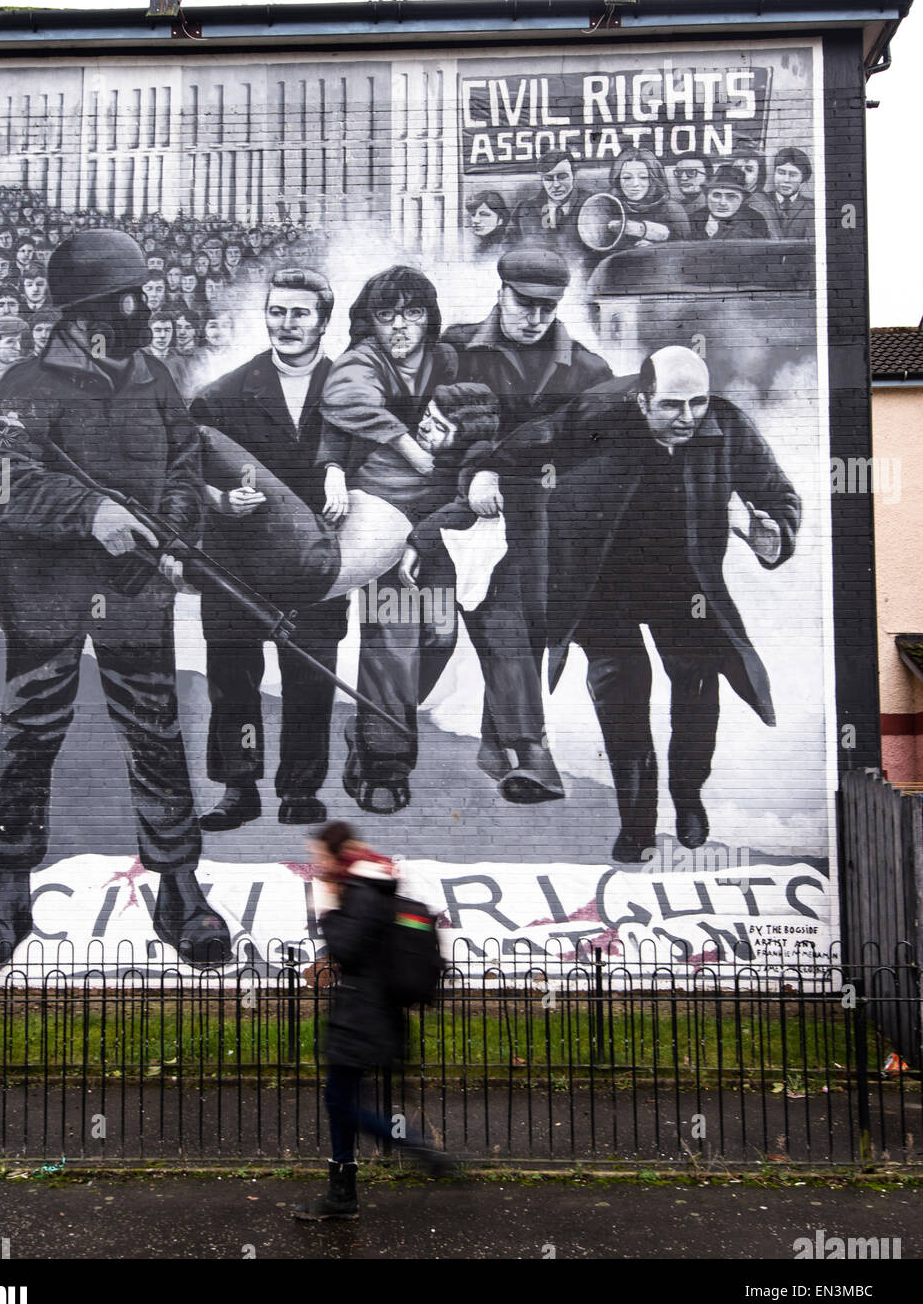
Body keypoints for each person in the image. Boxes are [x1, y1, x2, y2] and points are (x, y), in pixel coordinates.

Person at [0, 228, 231, 967]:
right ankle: (5, 889)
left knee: (156, 737)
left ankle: (180, 889)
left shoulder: (155, 378)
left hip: (135, 593)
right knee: (28, 737)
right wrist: (88, 511)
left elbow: (184, 462)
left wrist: (174, 533)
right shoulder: (27, 387)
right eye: (128, 296)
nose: (144, 306)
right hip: (46, 597)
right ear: (84, 313)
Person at [470, 345, 801, 862]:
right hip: (603, 581)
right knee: (622, 699)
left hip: (683, 582)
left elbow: (778, 492)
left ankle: (688, 795)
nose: (687, 418)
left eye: (697, 403)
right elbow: (529, 442)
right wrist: (486, 472)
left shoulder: (726, 425)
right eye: (671, 405)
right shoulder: (599, 413)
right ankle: (637, 823)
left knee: (697, 691)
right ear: (642, 400)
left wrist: (772, 534)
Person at [441, 248, 612, 802]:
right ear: (501, 292)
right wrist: (475, 469)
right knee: (504, 619)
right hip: (466, 513)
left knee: (530, 626)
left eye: (548, 307)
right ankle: (533, 751)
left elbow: (597, 453)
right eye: (524, 304)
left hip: (547, 524)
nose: (536, 318)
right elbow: (432, 427)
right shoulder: (455, 350)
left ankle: (497, 743)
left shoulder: (587, 370)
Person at [192, 267, 346, 830]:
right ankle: (239, 787)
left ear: (323, 321)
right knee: (234, 679)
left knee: (311, 675)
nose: (287, 324)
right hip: (235, 562)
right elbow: (181, 475)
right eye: (277, 311)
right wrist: (219, 500)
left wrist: (342, 475)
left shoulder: (352, 389)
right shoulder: (223, 395)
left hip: (317, 563)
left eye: (300, 313)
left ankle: (300, 788)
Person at [318, 265, 459, 814]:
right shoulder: (362, 361)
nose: (400, 326)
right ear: (369, 321)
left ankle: (376, 723)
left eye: (413, 313)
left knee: (439, 638)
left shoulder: (448, 359)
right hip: (383, 512)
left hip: (442, 516)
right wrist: (402, 448)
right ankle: (385, 765)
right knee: (393, 641)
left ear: (430, 318)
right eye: (387, 314)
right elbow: (344, 409)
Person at [294, 821, 450, 1221]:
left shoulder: (362, 893)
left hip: (362, 1017)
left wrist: (327, 906)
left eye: (319, 856)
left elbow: (348, 950)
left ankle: (415, 1150)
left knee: (342, 1104)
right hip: (367, 1014)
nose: (316, 863)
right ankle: (342, 1193)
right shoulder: (372, 888)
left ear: (335, 855)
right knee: (341, 1101)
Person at [604, 146, 690, 250]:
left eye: (643, 177)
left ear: (653, 179)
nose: (635, 184)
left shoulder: (672, 210)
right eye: (627, 178)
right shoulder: (610, 207)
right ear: (618, 179)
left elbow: (684, 251)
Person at [510, 148, 585, 257]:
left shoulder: (592, 204)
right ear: (542, 180)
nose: (556, 185)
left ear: (574, 175)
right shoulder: (524, 210)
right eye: (548, 179)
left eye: (562, 177)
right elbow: (507, 250)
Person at [689, 163, 771, 241]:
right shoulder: (693, 220)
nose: (722, 203)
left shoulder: (754, 222)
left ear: (742, 199)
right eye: (717, 195)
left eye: (731, 196)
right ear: (707, 196)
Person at [769, 147, 814, 240]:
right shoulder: (760, 202)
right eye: (781, 173)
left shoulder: (812, 208)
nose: (786, 180)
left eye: (793, 175)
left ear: (803, 179)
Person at [465, 188, 509, 255]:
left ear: (500, 219)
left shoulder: (507, 249)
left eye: (484, 215)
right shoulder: (479, 250)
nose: (475, 220)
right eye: (473, 215)